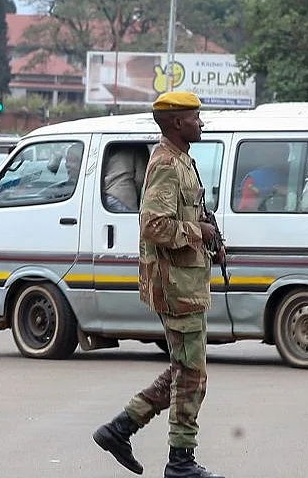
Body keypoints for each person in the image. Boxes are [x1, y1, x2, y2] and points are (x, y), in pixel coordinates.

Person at [93, 91, 225, 478]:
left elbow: (187, 215)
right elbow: (153, 225)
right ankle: (179, 461)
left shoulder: (184, 160)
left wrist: (210, 238)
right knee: (191, 373)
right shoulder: (166, 163)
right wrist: (197, 231)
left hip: (189, 282)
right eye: (195, 118)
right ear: (175, 123)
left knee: (187, 369)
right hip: (175, 286)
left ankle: (121, 428)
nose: (201, 124)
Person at [104, 144, 150, 212]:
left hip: (105, 197)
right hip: (124, 198)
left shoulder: (108, 148)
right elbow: (140, 178)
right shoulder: (139, 148)